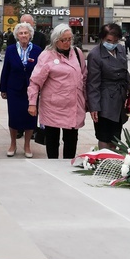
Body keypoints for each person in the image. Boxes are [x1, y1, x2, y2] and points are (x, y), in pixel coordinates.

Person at [27, 24, 86, 159]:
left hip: (73, 105)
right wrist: (32, 103)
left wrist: (86, 101)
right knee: (52, 140)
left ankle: (68, 166)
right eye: (63, 40)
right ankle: (53, 166)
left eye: (69, 39)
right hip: (53, 106)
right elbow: (35, 81)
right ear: (55, 40)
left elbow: (84, 76)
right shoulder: (46, 55)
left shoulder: (77, 53)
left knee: (71, 139)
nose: (67, 43)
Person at [0, 22, 42, 158]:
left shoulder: (37, 50)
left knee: (30, 118)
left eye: (26, 33)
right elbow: (5, 69)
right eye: (21, 33)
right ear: (17, 35)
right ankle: (13, 144)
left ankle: (27, 145)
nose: (23, 35)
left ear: (30, 35)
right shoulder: (11, 49)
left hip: (32, 90)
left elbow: (41, 71)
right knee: (14, 117)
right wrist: (3, 88)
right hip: (14, 89)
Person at [86, 23, 130, 150]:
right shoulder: (95, 55)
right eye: (109, 40)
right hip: (104, 99)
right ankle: (104, 161)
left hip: (120, 97)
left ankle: (113, 160)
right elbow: (92, 83)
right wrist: (94, 106)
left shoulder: (121, 49)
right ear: (102, 38)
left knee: (116, 135)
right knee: (104, 135)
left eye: (115, 40)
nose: (112, 43)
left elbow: (125, 73)